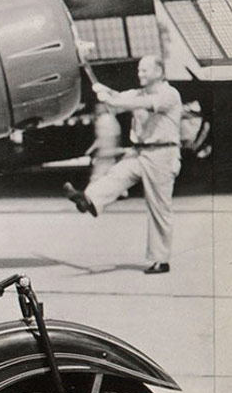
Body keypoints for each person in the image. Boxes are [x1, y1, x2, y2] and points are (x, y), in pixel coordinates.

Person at [64, 56, 182, 274]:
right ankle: (90, 199)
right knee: (117, 174)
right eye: (139, 70)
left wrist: (112, 100)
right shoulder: (138, 93)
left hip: (163, 154)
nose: (140, 74)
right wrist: (104, 91)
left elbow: (135, 104)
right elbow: (118, 98)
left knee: (159, 207)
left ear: (158, 72)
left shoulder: (169, 94)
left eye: (145, 70)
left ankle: (161, 260)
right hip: (140, 151)